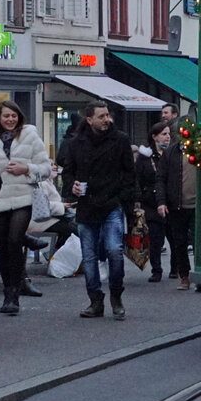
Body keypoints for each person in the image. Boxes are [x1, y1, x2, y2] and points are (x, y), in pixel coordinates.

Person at [60, 101, 137, 319]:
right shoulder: (76, 144)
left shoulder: (120, 139)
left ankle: (116, 294)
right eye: (101, 116)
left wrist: (124, 199)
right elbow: (68, 172)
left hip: (111, 203)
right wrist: (72, 185)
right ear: (89, 119)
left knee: (114, 250)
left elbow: (129, 173)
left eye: (107, 116)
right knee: (90, 256)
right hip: (87, 205)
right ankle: (95, 299)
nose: (106, 120)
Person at [0, 100, 51, 315]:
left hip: (23, 197)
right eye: (6, 116)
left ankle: (14, 296)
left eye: (14, 115)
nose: (10, 120)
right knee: (5, 245)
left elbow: (46, 169)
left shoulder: (30, 135)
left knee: (14, 240)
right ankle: (9, 291)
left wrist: (26, 168)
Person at [159, 116, 195, 290]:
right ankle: (185, 276)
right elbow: (161, 179)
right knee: (179, 243)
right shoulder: (171, 153)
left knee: (199, 242)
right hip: (177, 205)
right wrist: (162, 202)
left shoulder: (200, 150)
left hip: (197, 206)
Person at [135, 123, 171, 283]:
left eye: (168, 134)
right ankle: (156, 269)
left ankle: (176, 268)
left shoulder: (172, 154)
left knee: (173, 236)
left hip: (171, 200)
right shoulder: (145, 157)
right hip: (150, 202)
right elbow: (137, 178)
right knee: (156, 238)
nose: (167, 137)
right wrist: (139, 197)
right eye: (164, 134)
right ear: (154, 136)